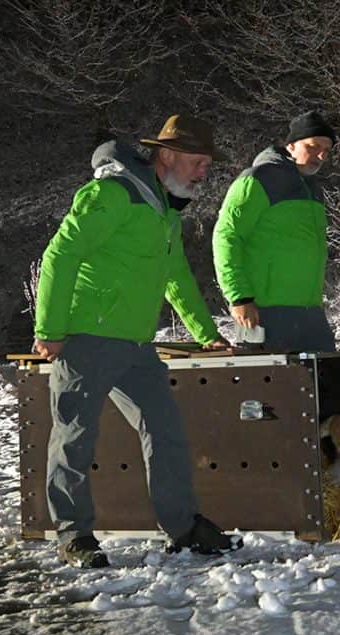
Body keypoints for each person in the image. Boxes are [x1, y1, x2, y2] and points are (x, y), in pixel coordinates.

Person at [33, 114, 243, 568]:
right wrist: (49, 330)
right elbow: (59, 255)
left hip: (137, 346)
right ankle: (74, 535)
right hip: (86, 340)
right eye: (198, 161)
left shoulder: (162, 210)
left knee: (165, 432)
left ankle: (184, 527)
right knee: (75, 439)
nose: (204, 171)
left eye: (208, 163)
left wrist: (207, 336)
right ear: (167, 155)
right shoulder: (111, 194)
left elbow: (177, 277)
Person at [213, 111, 338, 352]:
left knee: (328, 385)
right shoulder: (258, 179)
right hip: (261, 312)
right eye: (313, 146)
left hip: (310, 313)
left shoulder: (313, 189)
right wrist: (239, 297)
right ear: (291, 146)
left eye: (327, 149)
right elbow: (226, 236)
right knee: (266, 388)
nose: (321, 155)